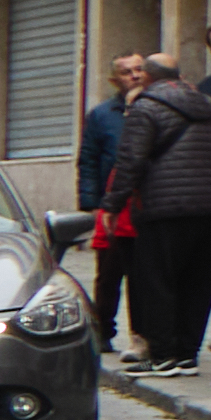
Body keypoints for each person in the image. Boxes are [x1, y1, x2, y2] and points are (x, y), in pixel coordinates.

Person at [105, 44, 211, 372]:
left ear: (147, 77)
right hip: (209, 207)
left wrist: (112, 203)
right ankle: (187, 354)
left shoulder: (145, 107)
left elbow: (131, 160)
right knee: (199, 282)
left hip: (162, 208)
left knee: (158, 280)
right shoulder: (209, 105)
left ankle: (162, 354)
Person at [76, 53, 154, 351]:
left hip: (145, 205)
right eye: (126, 72)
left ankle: (141, 336)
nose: (134, 75)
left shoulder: (155, 109)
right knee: (108, 275)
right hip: (111, 205)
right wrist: (91, 202)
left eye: (139, 70)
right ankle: (102, 332)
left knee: (142, 277)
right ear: (114, 79)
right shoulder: (102, 115)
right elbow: (89, 159)